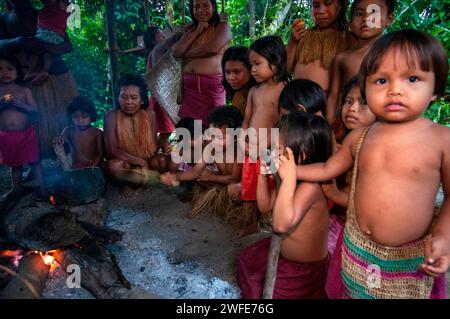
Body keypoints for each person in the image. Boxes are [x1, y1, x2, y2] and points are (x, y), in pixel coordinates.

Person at [284, 30, 449, 298]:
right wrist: (292, 169)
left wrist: (443, 238)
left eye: (412, 79)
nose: (395, 89)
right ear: (366, 86)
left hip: (408, 259)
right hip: (357, 251)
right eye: (382, 80)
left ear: (435, 91)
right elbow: (327, 169)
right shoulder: (361, 137)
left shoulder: (442, 140)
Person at [237, 112, 333, 299]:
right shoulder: (289, 178)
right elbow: (265, 206)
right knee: (247, 259)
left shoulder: (310, 187)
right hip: (285, 257)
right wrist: (263, 178)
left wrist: (288, 180)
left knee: (261, 291)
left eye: (278, 149)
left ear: (302, 153)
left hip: (305, 272)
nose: (273, 153)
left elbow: (279, 225)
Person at [229, 35, 289, 237]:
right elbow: (247, 117)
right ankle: (252, 222)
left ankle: (275, 220)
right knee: (250, 188)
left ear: (276, 62)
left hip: (270, 151)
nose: (252, 69)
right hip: (250, 149)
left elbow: (283, 124)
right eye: (251, 64)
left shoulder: (284, 91)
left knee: (271, 186)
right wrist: (244, 137)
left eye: (257, 64)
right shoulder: (254, 91)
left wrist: (268, 148)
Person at [161, 107, 245, 224]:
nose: (214, 141)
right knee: (202, 175)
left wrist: (211, 177)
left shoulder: (239, 151)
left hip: (242, 185)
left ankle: (241, 212)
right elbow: (195, 171)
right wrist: (175, 177)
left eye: (221, 138)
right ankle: (221, 202)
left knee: (233, 187)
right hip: (224, 181)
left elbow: (235, 178)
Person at [327, 0, 394, 128]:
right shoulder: (342, 58)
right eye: (359, 14)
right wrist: (329, 128)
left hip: (380, 129)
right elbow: (334, 96)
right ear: (350, 22)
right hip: (346, 126)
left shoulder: (394, 56)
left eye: (374, 12)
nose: (366, 18)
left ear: (389, 19)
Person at [172, 0, 231, 125]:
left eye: (205, 6)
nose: (200, 10)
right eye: (196, 7)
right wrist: (197, 31)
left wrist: (186, 53)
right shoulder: (191, 31)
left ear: (213, 7)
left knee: (214, 134)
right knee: (189, 138)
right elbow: (176, 52)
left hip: (211, 90)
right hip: (189, 93)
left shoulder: (223, 26)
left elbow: (212, 48)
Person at [104, 75, 163, 193]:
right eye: (124, 97)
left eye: (134, 97)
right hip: (124, 162)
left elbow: (153, 147)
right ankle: (125, 184)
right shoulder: (111, 116)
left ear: (142, 100)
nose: (128, 102)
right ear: (118, 98)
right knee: (114, 166)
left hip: (145, 160)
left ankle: (140, 181)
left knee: (160, 161)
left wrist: (143, 162)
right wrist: (138, 162)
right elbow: (111, 150)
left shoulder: (150, 115)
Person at [0, 55, 45, 202]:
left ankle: (42, 186)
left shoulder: (24, 91)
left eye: (9, 68)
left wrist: (23, 105)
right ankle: (16, 188)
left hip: (26, 134)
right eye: (0, 69)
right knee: (15, 164)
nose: (4, 72)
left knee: (35, 161)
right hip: (7, 136)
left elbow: (35, 110)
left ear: (17, 72)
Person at [286, 0, 353, 94]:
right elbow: (287, 69)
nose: (321, 11)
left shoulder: (347, 38)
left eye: (328, 3)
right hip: (296, 97)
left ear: (341, 5)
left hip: (324, 101)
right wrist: (292, 41)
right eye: (316, 5)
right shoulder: (304, 35)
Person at [144, 26, 180, 153]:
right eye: (160, 35)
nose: (164, 37)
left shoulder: (152, 53)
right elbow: (173, 41)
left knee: (166, 131)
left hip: (158, 98)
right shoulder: (156, 51)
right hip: (161, 100)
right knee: (166, 131)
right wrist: (180, 33)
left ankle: (163, 152)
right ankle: (151, 154)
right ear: (153, 40)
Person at [53, 96, 104, 169]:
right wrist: (58, 139)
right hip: (75, 167)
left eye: (84, 117)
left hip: (92, 165)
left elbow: (100, 153)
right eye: (76, 117)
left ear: (91, 115)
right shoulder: (68, 130)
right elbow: (62, 138)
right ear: (70, 117)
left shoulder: (97, 132)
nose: (80, 120)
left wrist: (94, 167)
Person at [221, 46, 255, 115]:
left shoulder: (258, 95)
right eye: (227, 72)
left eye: (237, 72)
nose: (231, 78)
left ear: (250, 70)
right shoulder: (238, 95)